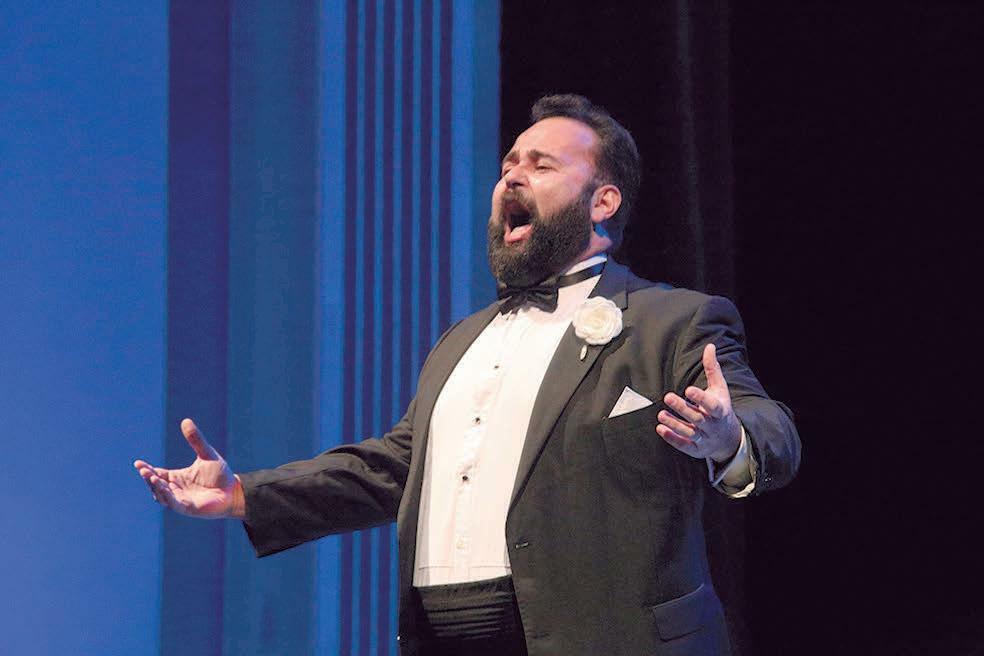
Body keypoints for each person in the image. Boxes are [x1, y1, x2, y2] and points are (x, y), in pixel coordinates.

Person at [135, 94, 800, 656]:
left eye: (541, 165)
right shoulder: (461, 342)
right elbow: (395, 469)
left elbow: (769, 428)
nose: (511, 177)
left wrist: (728, 440)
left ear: (603, 201)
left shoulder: (670, 321)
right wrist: (243, 495)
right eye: (508, 164)